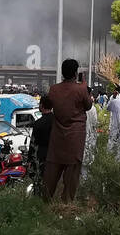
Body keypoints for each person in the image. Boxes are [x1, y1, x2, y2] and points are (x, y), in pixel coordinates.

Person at [42, 59, 93, 203]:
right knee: (72, 174)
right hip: (75, 138)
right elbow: (88, 106)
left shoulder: (54, 89)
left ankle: (45, 201)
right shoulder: (81, 89)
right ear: (76, 73)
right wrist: (83, 85)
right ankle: (67, 204)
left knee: (51, 173)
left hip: (57, 137)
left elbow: (51, 104)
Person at [26, 95, 55, 180]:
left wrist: (30, 160)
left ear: (41, 105)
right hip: (55, 156)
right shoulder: (56, 121)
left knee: (40, 180)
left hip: (41, 155)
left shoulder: (38, 123)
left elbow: (33, 143)